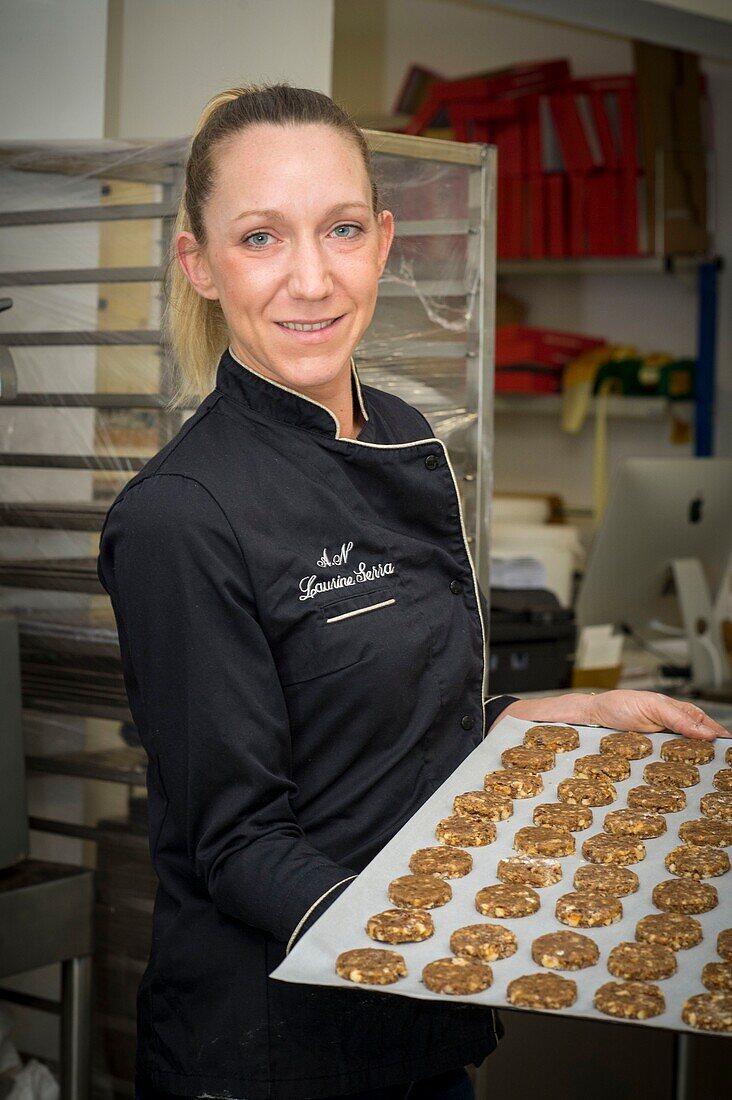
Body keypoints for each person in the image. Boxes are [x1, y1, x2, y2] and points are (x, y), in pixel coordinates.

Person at [96, 83, 729, 1100]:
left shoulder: (400, 433)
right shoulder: (181, 516)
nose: (312, 277)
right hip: (275, 1054)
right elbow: (240, 839)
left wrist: (558, 717)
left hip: (420, 1043)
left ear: (384, 242)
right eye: (262, 238)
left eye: (342, 229)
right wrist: (451, 931)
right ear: (200, 265)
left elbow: (386, 736)